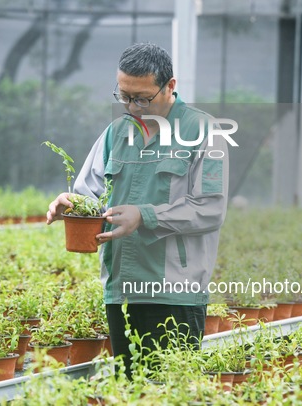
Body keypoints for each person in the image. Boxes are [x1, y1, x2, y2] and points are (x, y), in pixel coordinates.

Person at [46, 42, 229, 376]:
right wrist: (71, 204)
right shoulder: (115, 134)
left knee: (171, 390)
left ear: (170, 85)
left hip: (175, 292)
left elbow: (209, 208)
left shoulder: (203, 131)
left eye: (142, 98)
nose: (132, 107)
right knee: (129, 388)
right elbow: (91, 195)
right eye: (124, 96)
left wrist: (144, 215)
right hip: (121, 288)